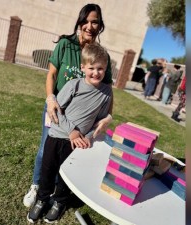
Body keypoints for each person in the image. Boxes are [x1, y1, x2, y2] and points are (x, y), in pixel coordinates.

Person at [23, 3, 113, 208]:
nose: (90, 26)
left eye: (95, 22)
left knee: (70, 154)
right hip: (57, 109)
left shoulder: (100, 55)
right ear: (80, 22)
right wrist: (50, 99)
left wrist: (108, 117)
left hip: (81, 118)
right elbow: (52, 74)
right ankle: (37, 186)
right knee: (45, 150)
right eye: (86, 21)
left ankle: (58, 190)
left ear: (100, 26)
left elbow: (108, 88)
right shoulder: (65, 44)